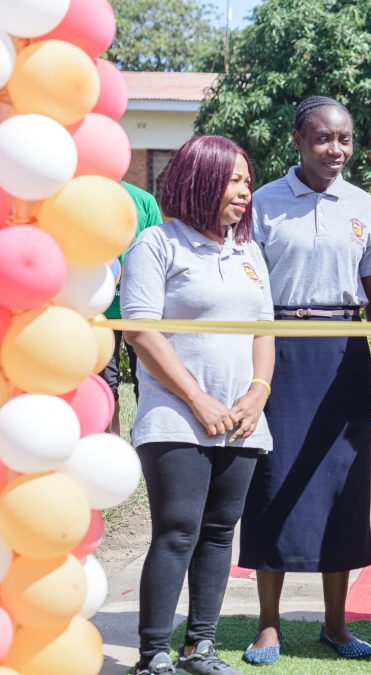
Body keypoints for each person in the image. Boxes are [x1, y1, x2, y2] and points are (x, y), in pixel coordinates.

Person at [237, 95, 371, 664]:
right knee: (273, 482)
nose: (337, 149)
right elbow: (244, 288)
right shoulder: (261, 204)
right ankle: (269, 625)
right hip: (277, 350)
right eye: (324, 138)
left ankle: (335, 623)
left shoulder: (364, 208)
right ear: (298, 141)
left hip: (346, 353)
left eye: (345, 139)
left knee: (341, 488)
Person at [122, 135, 273, 675]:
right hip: (175, 418)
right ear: (201, 178)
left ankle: (199, 647)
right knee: (179, 530)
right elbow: (141, 329)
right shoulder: (158, 244)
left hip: (241, 422)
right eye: (235, 179)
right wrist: (198, 399)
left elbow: (263, 331)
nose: (245, 191)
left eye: (248, 181)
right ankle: (153, 654)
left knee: (218, 532)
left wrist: (258, 393)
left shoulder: (249, 250)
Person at [101, 181, 163, 434]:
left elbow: (160, 252)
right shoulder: (85, 195)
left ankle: (148, 445)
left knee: (148, 381)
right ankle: (110, 448)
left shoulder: (143, 200)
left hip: (141, 309)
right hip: (99, 312)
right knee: (105, 385)